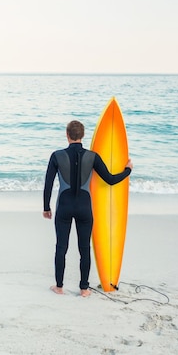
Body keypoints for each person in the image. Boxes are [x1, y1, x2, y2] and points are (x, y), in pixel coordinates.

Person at [43, 120, 133, 297]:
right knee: (84, 248)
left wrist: (46, 207)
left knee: (61, 247)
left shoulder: (56, 155)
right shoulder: (93, 156)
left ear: (67, 135)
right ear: (82, 136)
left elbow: (48, 183)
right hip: (84, 208)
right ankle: (84, 289)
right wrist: (127, 170)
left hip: (64, 207)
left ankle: (59, 287)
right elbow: (110, 179)